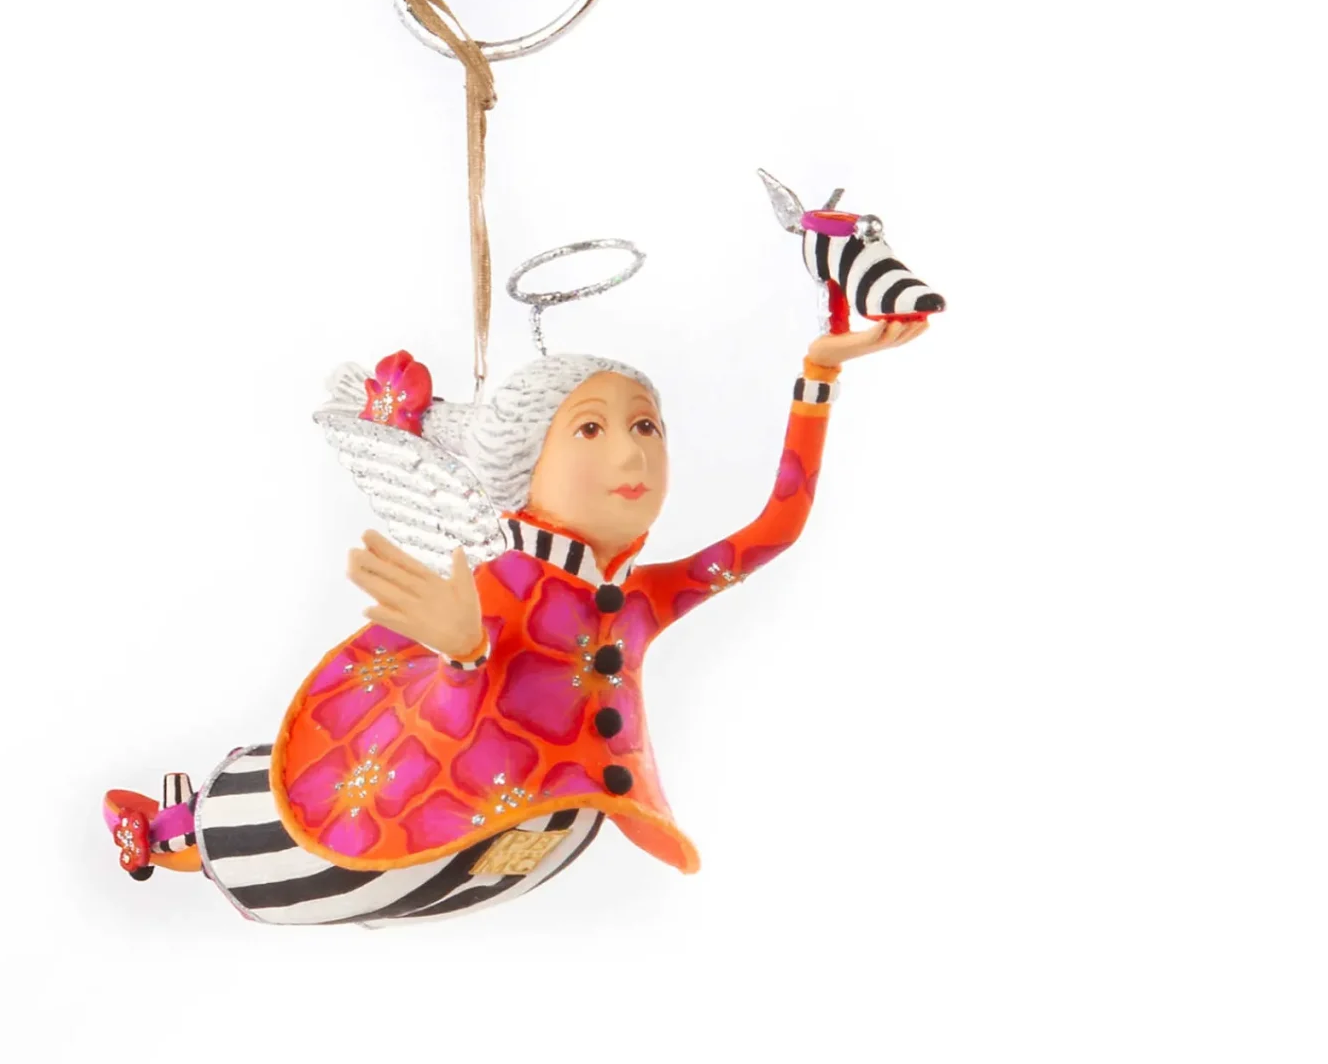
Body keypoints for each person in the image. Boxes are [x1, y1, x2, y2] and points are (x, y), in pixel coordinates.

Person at [103, 198, 939, 926]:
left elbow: (778, 526)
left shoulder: (642, 598)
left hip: (545, 821)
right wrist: (463, 654)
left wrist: (819, 372)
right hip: (447, 811)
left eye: (646, 426)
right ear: (525, 464)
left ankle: (183, 833)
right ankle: (174, 833)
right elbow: (450, 708)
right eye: (591, 429)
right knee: (280, 841)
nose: (632, 454)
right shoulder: (501, 578)